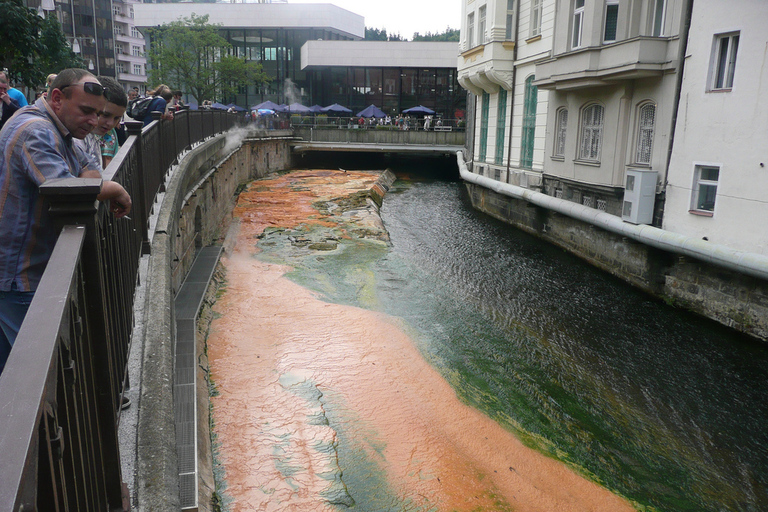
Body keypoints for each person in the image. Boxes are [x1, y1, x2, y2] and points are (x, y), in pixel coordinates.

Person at [0, 68, 132, 376]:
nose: (93, 121)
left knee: (11, 369)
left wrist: (93, 185)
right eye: (86, 111)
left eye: (98, 113)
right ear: (57, 98)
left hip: (22, 270)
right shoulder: (36, 129)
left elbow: (87, 166)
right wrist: (114, 189)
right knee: (42, 374)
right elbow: (65, 187)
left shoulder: (57, 127)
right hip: (18, 274)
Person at [75, 76, 127, 170]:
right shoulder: (76, 139)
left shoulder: (93, 137)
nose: (111, 123)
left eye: (117, 118)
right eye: (105, 115)